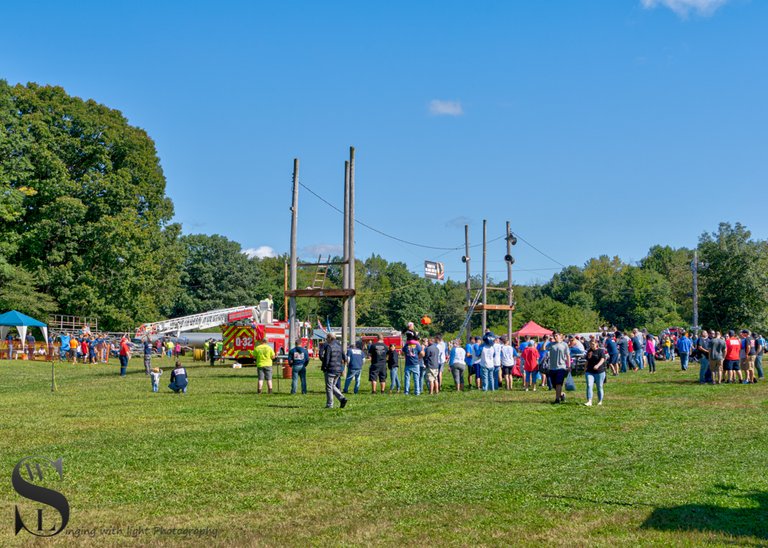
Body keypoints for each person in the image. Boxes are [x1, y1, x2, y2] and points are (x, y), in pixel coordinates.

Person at [320, 333, 347, 408]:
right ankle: (342, 399)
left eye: (326, 338)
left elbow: (327, 358)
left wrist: (324, 367)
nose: (326, 340)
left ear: (329, 338)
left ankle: (329, 404)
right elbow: (345, 358)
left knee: (329, 387)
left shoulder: (329, 346)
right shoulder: (339, 346)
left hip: (331, 369)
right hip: (338, 369)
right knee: (333, 386)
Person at [548, 332, 571, 404]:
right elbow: (543, 348)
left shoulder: (564, 344)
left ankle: (557, 399)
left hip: (561, 367)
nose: (555, 337)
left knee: (559, 383)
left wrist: (569, 365)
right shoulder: (551, 344)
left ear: (560, 336)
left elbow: (568, 355)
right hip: (552, 367)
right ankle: (561, 394)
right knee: (554, 385)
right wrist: (546, 340)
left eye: (556, 335)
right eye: (554, 336)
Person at [584, 339, 606, 406]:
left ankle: (600, 401)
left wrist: (598, 365)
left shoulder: (600, 351)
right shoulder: (589, 351)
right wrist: (585, 368)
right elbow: (587, 360)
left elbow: (602, 359)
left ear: (596, 344)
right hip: (590, 371)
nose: (591, 345)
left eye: (593, 344)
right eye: (590, 344)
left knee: (599, 386)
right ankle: (589, 401)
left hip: (599, 371)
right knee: (589, 385)